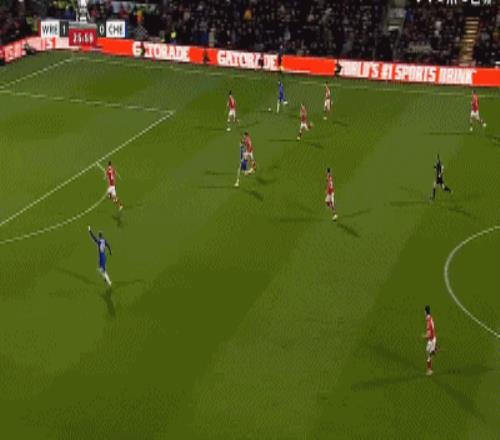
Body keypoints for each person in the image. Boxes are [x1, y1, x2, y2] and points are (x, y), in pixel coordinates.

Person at [422, 305, 437, 376]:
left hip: (431, 340)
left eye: (424, 311)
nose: (423, 312)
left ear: (425, 312)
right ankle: (434, 350)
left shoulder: (428, 322)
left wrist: (424, 336)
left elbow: (429, 334)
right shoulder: (430, 318)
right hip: (432, 339)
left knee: (428, 357)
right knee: (427, 351)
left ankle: (430, 371)